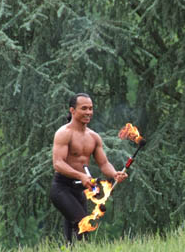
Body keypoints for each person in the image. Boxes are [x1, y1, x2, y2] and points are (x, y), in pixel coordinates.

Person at [50, 93, 128, 243]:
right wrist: (81, 176)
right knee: (83, 224)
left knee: (76, 235)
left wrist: (115, 174)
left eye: (91, 108)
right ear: (72, 110)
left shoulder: (94, 137)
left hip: (81, 190)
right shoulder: (64, 133)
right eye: (84, 108)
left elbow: (104, 164)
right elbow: (58, 163)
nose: (88, 112)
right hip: (62, 188)